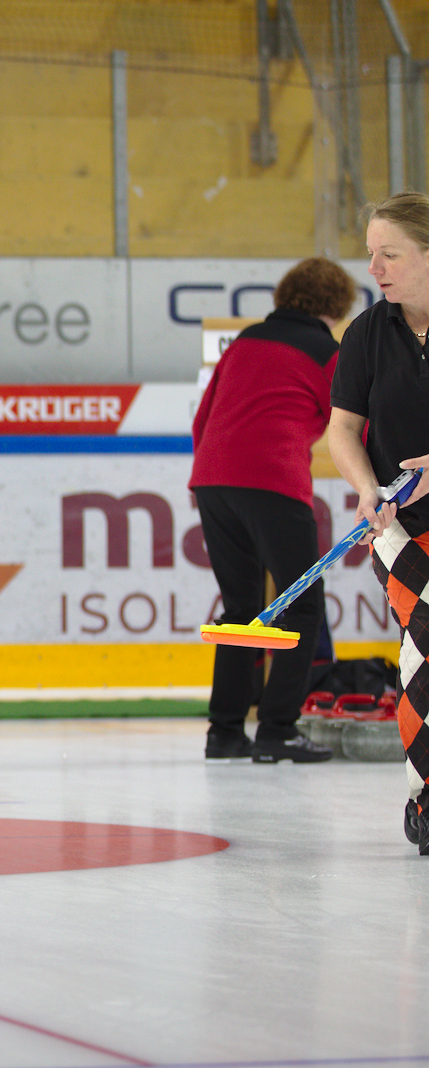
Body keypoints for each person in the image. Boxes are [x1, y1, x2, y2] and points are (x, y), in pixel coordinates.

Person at [190, 256, 356, 763]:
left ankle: (224, 732)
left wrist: (204, 478)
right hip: (273, 482)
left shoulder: (243, 341)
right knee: (301, 604)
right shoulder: (328, 352)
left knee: (240, 608)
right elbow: (351, 423)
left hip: (213, 479)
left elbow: (204, 417)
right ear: (338, 306)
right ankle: (278, 729)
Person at [328, 192, 429, 855]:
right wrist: (367, 490)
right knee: (423, 645)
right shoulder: (368, 331)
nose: (376, 268)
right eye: (371, 254)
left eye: (389, 254)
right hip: (403, 527)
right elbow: (341, 429)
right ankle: (426, 795)